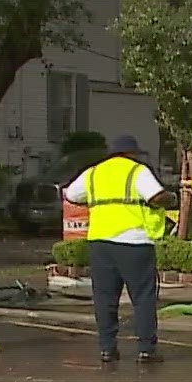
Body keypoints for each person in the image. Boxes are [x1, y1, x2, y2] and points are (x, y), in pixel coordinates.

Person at [64, 135, 176, 364]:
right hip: (134, 242)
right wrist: (173, 198)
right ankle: (146, 350)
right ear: (132, 153)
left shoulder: (93, 172)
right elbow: (156, 196)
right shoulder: (138, 171)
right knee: (143, 298)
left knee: (104, 298)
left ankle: (107, 349)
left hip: (100, 242)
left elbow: (71, 194)